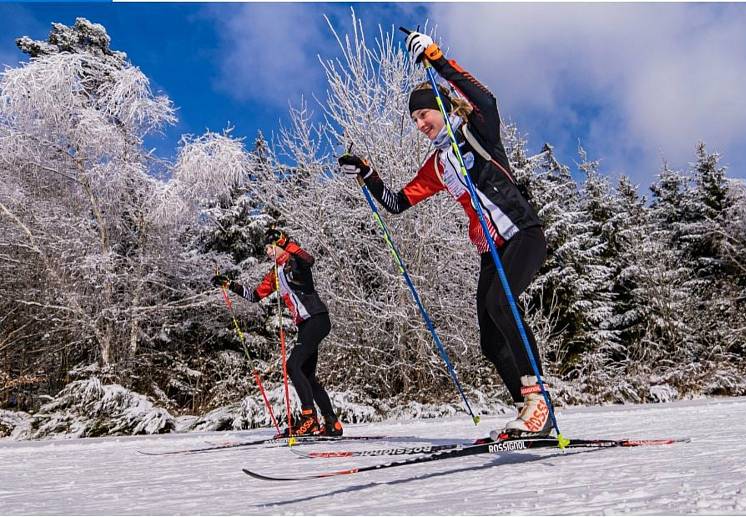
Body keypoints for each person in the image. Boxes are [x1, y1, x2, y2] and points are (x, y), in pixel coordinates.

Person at [338, 31, 552, 436]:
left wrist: (436, 59)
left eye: (424, 114)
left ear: (441, 105)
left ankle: (538, 402)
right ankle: (532, 414)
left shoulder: (476, 130)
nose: (420, 123)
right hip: (493, 250)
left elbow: (486, 99)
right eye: (415, 120)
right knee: (490, 340)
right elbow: (397, 202)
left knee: (501, 304)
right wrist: (367, 173)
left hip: (523, 233)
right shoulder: (437, 166)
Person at [211, 228, 343, 437]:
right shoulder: (275, 273)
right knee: (306, 375)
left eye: (271, 247)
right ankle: (331, 423)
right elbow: (254, 295)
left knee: (292, 365)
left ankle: (308, 418)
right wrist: (229, 284)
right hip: (306, 324)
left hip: (317, 318)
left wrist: (287, 241)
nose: (268, 252)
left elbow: (309, 260)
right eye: (266, 249)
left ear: (280, 246)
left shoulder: (295, 261)